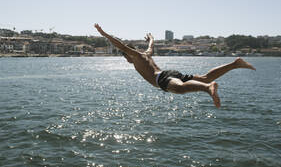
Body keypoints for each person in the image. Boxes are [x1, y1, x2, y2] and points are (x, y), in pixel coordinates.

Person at [94, 24, 256, 108]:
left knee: (180, 88)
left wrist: (104, 34)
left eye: (126, 57)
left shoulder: (136, 56)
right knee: (205, 77)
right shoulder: (146, 55)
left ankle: (208, 88)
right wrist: (150, 38)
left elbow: (121, 45)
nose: (127, 60)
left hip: (161, 78)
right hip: (169, 73)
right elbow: (151, 45)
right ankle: (235, 64)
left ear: (128, 56)